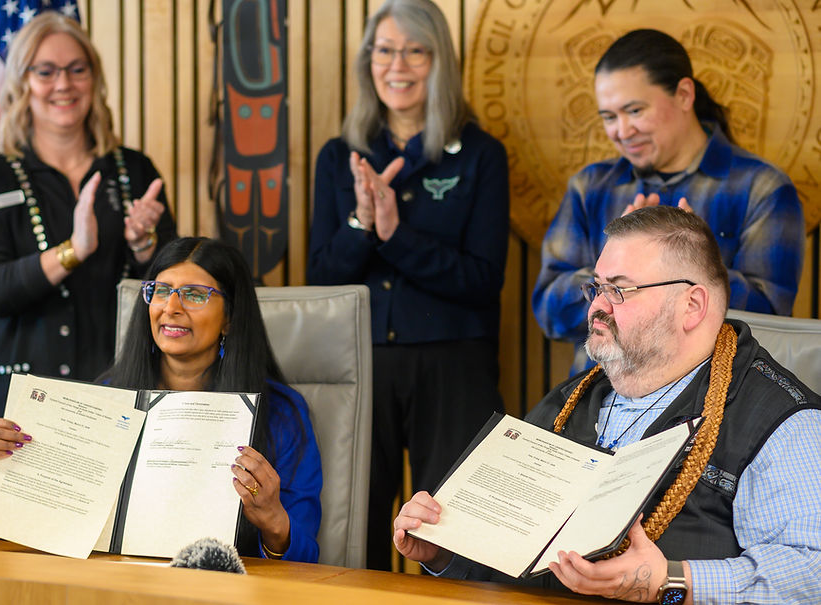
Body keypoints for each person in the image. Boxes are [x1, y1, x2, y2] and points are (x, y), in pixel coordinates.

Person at [395, 206, 821, 604]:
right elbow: (514, 564)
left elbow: (813, 572)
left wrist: (670, 584)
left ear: (691, 306)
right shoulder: (569, 401)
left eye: (619, 290)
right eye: (596, 287)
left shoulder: (781, 421)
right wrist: (445, 553)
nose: (597, 306)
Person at [306, 0, 510, 570]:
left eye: (415, 50)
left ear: (438, 60)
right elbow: (321, 280)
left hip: (454, 364)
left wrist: (396, 237)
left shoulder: (481, 155)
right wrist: (362, 226)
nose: (398, 64)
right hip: (359, 364)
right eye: (385, 49)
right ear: (368, 61)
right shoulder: (337, 157)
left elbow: (482, 280)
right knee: (352, 530)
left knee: (452, 534)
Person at [0, 237, 323, 563]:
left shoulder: (280, 412)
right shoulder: (107, 398)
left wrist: (274, 522)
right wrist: (11, 481)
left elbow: (307, 559)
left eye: (194, 294)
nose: (171, 307)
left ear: (230, 318)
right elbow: (52, 532)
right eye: (160, 291)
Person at [0, 12, 177, 496]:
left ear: (94, 79)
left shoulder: (135, 170)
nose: (63, 83)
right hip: (19, 402)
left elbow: (172, 289)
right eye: (46, 70)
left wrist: (145, 245)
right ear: (21, 82)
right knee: (18, 553)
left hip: (116, 393)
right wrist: (74, 251)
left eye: (77, 69)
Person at [532, 29, 805, 376]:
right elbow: (550, 314)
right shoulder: (590, 186)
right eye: (609, 117)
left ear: (684, 94)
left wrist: (692, 262)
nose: (622, 130)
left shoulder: (761, 189)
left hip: (717, 405)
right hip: (597, 402)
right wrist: (617, 262)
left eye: (634, 110)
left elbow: (771, 323)